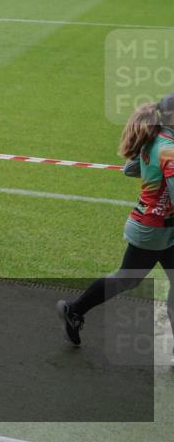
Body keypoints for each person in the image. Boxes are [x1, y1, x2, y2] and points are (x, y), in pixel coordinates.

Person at [57, 93, 174, 347]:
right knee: (126, 279)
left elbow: (129, 169)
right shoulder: (168, 149)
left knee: (127, 279)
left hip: (154, 227)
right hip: (155, 231)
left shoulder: (157, 141)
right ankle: (74, 310)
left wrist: (154, 173)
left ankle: (74, 310)